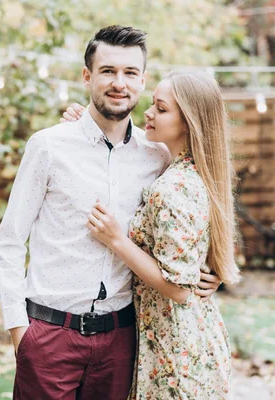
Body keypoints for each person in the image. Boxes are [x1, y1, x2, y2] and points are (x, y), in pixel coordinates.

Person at [0, 25, 221, 399]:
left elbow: (192, 218)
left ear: (143, 80)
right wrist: (20, 331)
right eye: (108, 71)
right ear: (87, 76)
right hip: (49, 334)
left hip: (121, 340)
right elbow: (9, 242)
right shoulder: (49, 146)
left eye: (130, 73)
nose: (120, 83)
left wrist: (212, 270)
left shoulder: (158, 155)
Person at [62, 71, 240, 399]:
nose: (148, 112)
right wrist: (83, 119)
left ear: (188, 122)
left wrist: (117, 240)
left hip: (177, 352)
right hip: (179, 343)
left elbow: (179, 288)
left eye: (160, 108)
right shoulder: (182, 170)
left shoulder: (174, 188)